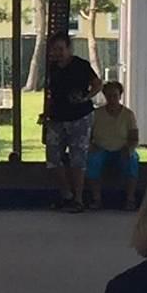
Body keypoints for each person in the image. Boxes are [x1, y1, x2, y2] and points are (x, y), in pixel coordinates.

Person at [38, 30, 101, 210]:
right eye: (54, 50)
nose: (57, 53)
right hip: (57, 117)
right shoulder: (53, 67)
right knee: (53, 157)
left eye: (60, 49)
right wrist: (46, 113)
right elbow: (52, 94)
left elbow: (97, 84)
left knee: (77, 158)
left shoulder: (81, 65)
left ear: (69, 49)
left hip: (80, 117)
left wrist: (86, 97)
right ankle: (66, 194)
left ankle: (78, 199)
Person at [84, 79, 141, 212]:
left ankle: (130, 199)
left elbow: (134, 137)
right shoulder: (96, 114)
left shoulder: (128, 114)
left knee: (132, 161)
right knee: (92, 161)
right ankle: (96, 199)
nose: (112, 98)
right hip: (101, 148)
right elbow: (87, 135)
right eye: (109, 95)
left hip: (122, 148)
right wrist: (91, 146)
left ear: (120, 96)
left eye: (115, 95)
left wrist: (129, 149)